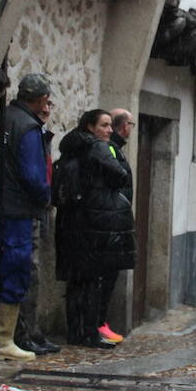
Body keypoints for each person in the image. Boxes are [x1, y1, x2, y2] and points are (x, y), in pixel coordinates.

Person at [55, 108, 135, 349]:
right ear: (91, 127)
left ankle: (78, 332)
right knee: (92, 282)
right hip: (93, 225)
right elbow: (119, 175)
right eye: (105, 125)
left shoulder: (73, 147)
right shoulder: (98, 148)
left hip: (75, 223)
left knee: (79, 281)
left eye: (111, 125)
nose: (110, 130)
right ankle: (89, 333)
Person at [0, 72, 54, 360]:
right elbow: (33, 175)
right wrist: (45, 198)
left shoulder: (4, 117)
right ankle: (5, 339)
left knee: (8, 265)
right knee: (18, 268)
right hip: (19, 209)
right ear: (42, 99)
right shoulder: (29, 128)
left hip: (4, 204)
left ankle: (8, 335)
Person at [96, 107, 137, 345]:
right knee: (104, 278)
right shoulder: (109, 150)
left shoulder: (112, 149)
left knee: (106, 277)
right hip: (108, 224)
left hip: (110, 222)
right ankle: (98, 324)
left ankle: (100, 323)